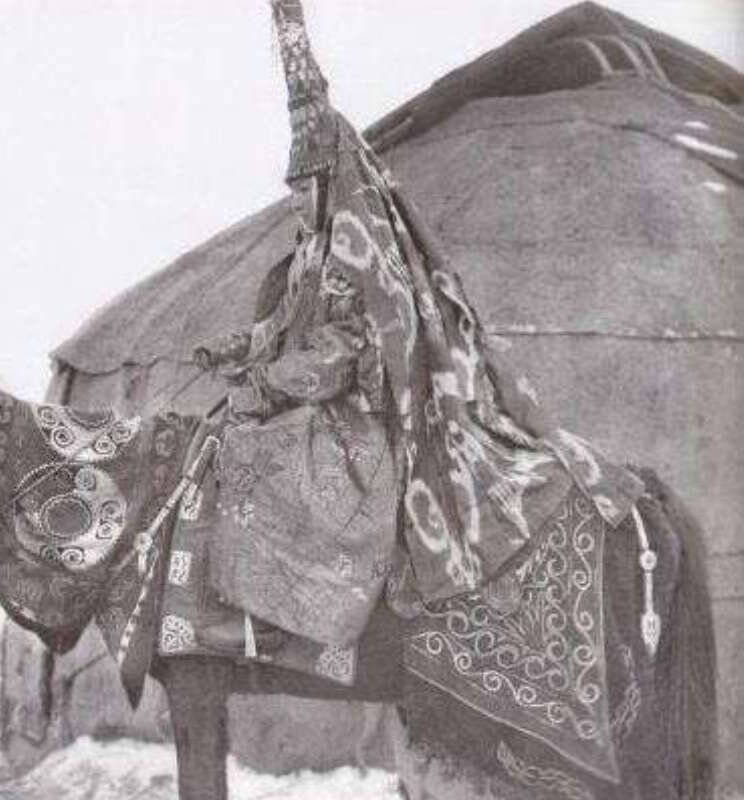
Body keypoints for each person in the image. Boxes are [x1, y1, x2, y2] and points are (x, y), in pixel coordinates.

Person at [193, 0, 645, 652]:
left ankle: (301, 623)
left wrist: (269, 382)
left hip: (356, 415)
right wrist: (235, 350)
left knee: (266, 454)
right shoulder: (310, 254)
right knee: (229, 436)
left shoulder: (355, 250)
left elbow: (340, 353)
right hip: (310, 399)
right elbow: (282, 329)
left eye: (304, 186)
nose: (296, 198)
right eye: (291, 188)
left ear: (328, 182)